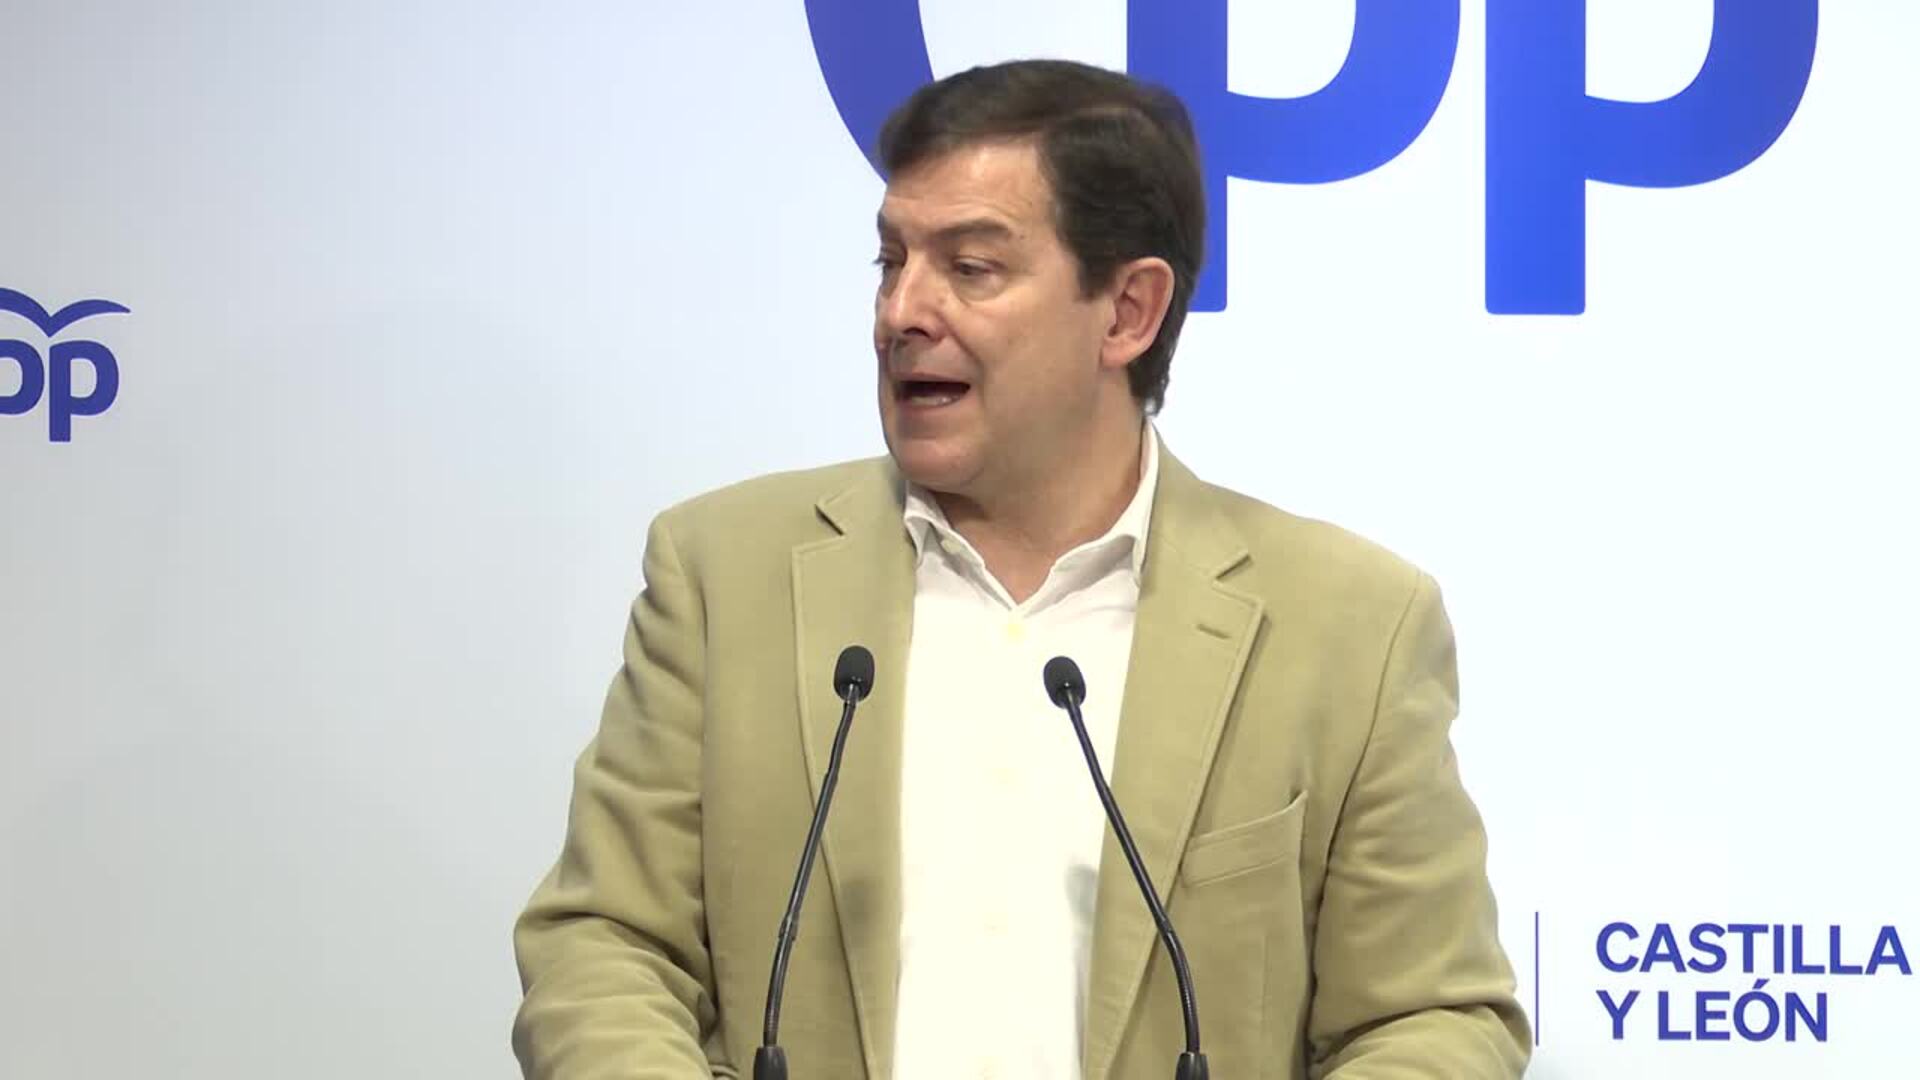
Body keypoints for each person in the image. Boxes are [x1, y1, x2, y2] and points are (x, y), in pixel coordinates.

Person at [512, 59, 1530, 1079]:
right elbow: (606, 946)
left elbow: (1433, 1018)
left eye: (971, 267)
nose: (902, 311)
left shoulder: (1349, 626)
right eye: (890, 261)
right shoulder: (723, 577)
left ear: (1127, 312)